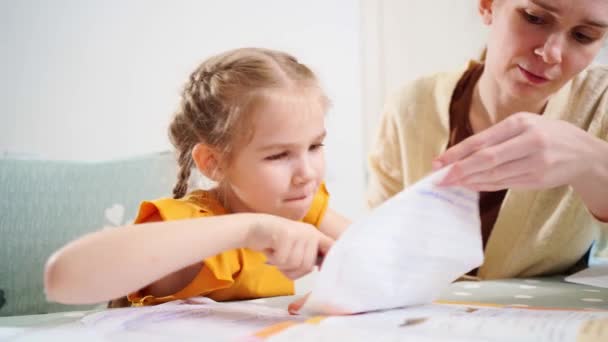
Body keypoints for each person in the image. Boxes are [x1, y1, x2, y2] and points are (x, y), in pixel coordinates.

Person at [44, 47, 350, 307]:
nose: (306, 174)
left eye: (314, 146)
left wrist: (336, 298)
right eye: (278, 155)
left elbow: (384, 260)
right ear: (213, 163)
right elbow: (63, 278)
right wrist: (251, 229)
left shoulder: (296, 203)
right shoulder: (189, 221)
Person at [368, 0, 608, 280]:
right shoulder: (411, 106)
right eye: (534, 18)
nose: (551, 53)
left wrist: (592, 161)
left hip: (544, 320)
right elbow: (380, 244)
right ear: (487, 5)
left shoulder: (600, 104)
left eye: (583, 36)